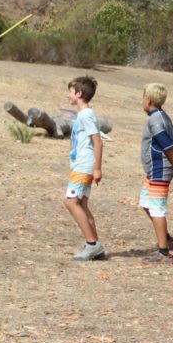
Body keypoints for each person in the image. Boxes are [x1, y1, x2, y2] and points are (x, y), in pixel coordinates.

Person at [138, 83, 173, 264]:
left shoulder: (155, 120)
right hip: (154, 170)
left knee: (157, 209)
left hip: (160, 169)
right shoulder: (162, 116)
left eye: (143, 97)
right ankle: (166, 238)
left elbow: (168, 145)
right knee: (146, 203)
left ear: (148, 100)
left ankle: (163, 252)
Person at [64, 76, 105, 261]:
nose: (68, 95)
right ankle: (95, 245)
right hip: (81, 164)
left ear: (79, 94)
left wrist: (97, 168)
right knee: (81, 203)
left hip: (85, 165)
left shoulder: (86, 115)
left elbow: (98, 142)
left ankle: (91, 244)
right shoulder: (83, 115)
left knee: (71, 202)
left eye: (71, 92)